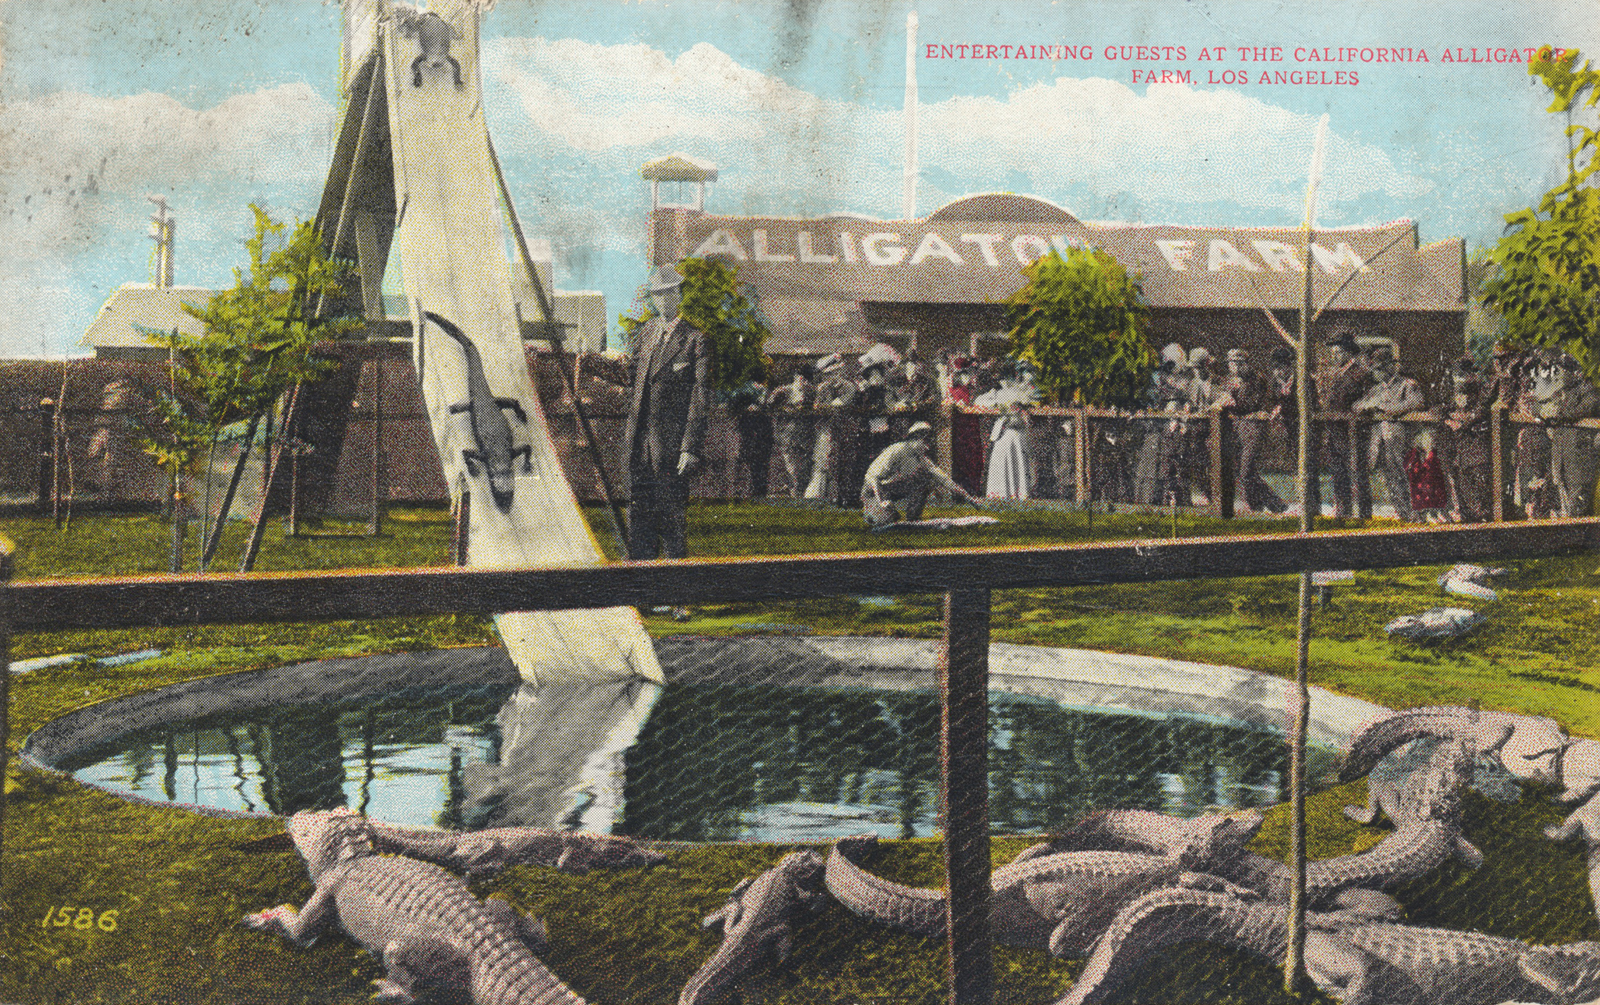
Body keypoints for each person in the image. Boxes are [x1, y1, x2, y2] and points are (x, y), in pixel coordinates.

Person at [623, 263, 711, 559]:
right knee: (639, 524)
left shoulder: (695, 340)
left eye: (668, 293)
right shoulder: (646, 333)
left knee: (672, 522)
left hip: (672, 449)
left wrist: (690, 447)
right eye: (657, 294)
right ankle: (641, 594)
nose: (662, 300)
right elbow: (631, 377)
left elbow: (700, 397)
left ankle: (677, 598)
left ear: (679, 295)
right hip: (639, 445)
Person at [1353, 344, 1425, 522]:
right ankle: (1403, 515)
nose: (1375, 373)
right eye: (1375, 369)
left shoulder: (1406, 385)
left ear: (1388, 368)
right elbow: (1357, 405)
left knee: (1409, 477)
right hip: (1382, 442)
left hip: (1404, 441)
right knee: (1391, 479)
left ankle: (1417, 515)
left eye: (1378, 369)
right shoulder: (1376, 390)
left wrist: (1387, 409)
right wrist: (1368, 406)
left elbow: (1416, 403)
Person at [861, 421, 980, 527]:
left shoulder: (921, 458)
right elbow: (872, 477)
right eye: (925, 440)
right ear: (915, 438)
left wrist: (969, 498)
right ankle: (876, 512)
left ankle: (913, 518)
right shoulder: (896, 450)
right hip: (873, 492)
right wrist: (882, 501)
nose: (927, 446)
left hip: (890, 490)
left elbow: (944, 480)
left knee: (924, 480)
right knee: (884, 522)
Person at [1218, 348, 1286, 513]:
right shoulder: (1228, 381)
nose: (1233, 367)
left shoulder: (1257, 379)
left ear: (1245, 364)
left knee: (1246, 470)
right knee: (1243, 472)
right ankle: (1257, 506)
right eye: (1231, 364)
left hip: (1254, 427)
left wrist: (1232, 402)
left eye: (1237, 364)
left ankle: (1275, 505)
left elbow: (1251, 404)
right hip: (1236, 429)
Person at [1320, 330, 1374, 518]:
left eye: (1339, 352)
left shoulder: (1361, 374)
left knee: (1357, 471)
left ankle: (1364, 514)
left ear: (1349, 352)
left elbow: (1368, 398)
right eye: (1333, 353)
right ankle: (1343, 511)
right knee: (1338, 471)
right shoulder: (1333, 374)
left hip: (1353, 430)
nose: (1335, 356)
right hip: (1333, 429)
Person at [1540, 353, 1600, 518]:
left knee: (1579, 510)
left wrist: (1558, 412)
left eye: (1560, 370)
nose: (1556, 374)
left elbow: (1588, 406)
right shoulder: (1560, 394)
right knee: (1563, 508)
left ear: (1574, 372)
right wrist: (1545, 413)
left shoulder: (1587, 389)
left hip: (1579, 463)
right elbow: (1541, 408)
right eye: (1554, 370)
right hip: (1561, 461)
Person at [1267, 345, 1319, 515]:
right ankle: (1302, 502)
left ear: (1289, 366)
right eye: (1275, 369)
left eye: (1281, 368)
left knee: (1309, 467)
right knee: (1296, 467)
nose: (1278, 372)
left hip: (1306, 428)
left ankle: (1313, 506)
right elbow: (1271, 401)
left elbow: (1308, 404)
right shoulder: (1275, 383)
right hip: (1289, 429)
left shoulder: (1304, 381)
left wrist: (1282, 407)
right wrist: (1276, 407)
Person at [1442, 356, 1492, 523]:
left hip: (1477, 449)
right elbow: (1440, 408)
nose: (1461, 378)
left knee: (1481, 498)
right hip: (1462, 453)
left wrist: (1463, 422)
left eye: (1464, 374)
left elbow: (1481, 411)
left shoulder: (1481, 392)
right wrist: (1447, 419)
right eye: (1458, 374)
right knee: (1466, 490)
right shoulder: (1454, 394)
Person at [806, 353, 857, 502]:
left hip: (843, 430)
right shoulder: (822, 388)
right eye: (828, 374)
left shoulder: (849, 387)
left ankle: (839, 497)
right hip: (826, 430)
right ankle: (818, 496)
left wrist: (825, 407)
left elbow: (839, 405)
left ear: (840, 372)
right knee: (822, 462)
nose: (831, 377)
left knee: (841, 464)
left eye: (834, 373)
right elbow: (817, 407)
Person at [767, 365, 815, 499]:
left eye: (805, 379)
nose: (802, 381)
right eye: (799, 378)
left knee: (803, 466)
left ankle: (798, 492)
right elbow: (770, 405)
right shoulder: (783, 391)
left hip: (804, 434)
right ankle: (791, 491)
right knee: (789, 464)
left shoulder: (810, 391)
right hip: (786, 434)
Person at [728, 376, 773, 499]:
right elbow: (732, 405)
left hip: (762, 434)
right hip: (746, 432)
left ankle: (758, 496)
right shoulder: (741, 387)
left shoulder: (766, 387)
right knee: (745, 466)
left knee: (760, 468)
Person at [986, 401, 1033, 499]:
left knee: (1018, 461)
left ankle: (1018, 492)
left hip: (1018, 435)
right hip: (1003, 435)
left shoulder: (1025, 394)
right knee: (1001, 461)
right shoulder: (997, 394)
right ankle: (1000, 493)